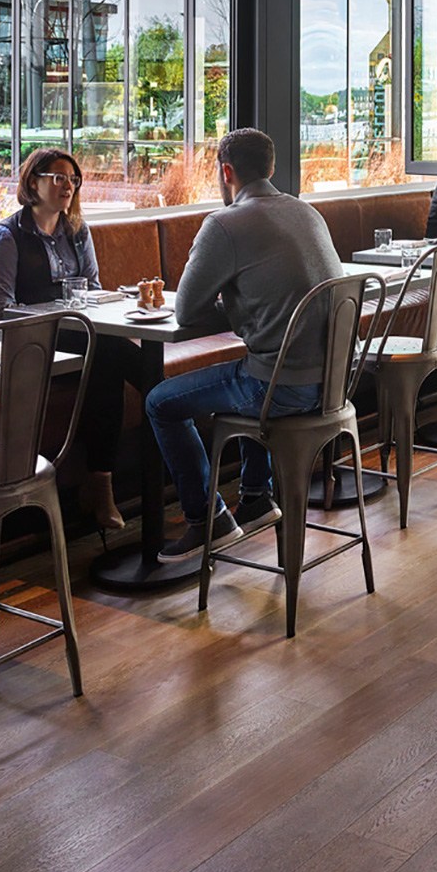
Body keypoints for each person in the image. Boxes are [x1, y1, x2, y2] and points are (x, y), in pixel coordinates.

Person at [144, 127, 345, 560]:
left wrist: (229, 295)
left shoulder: (224, 223)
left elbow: (184, 310)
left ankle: (207, 519)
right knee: (255, 362)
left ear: (226, 172)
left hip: (282, 390)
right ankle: (255, 495)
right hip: (332, 384)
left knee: (161, 402)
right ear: (271, 168)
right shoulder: (307, 212)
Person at [0, 147, 137, 533]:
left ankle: (101, 485)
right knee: (113, 355)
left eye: (73, 180)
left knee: (105, 362)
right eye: (59, 178)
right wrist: (56, 317)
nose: (68, 186)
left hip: (80, 338)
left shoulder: (77, 231)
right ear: (34, 182)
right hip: (30, 346)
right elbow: (0, 314)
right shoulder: (5, 237)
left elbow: (94, 290)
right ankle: (168, 402)